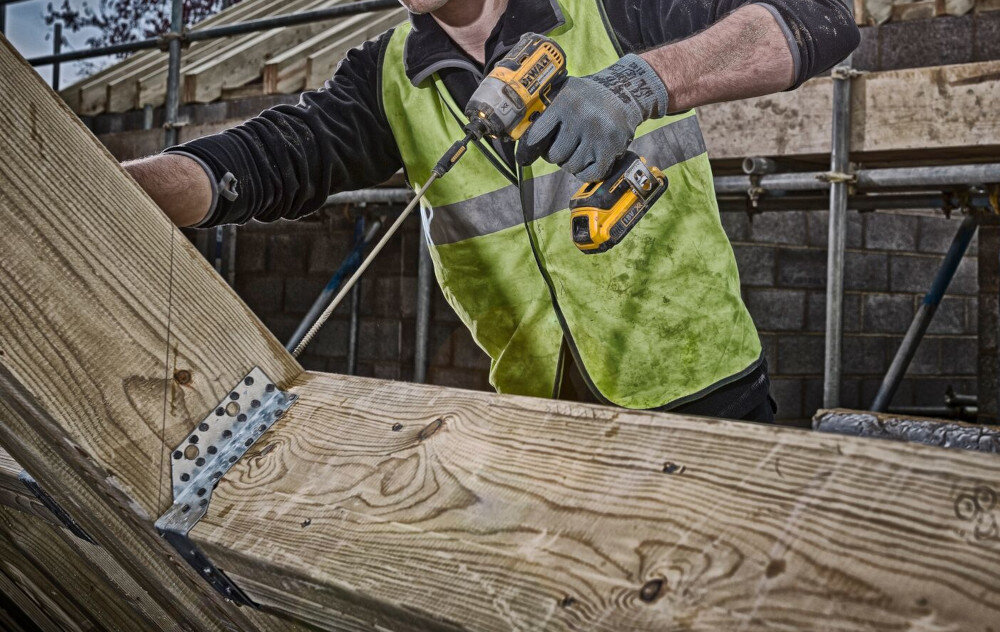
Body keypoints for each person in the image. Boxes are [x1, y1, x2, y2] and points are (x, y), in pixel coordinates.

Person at [125, 0, 860, 422]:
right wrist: (83, 179)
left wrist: (643, 82)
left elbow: (820, 16)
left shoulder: (607, 6)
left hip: (702, 395)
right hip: (540, 422)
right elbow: (263, 159)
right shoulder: (387, 77)